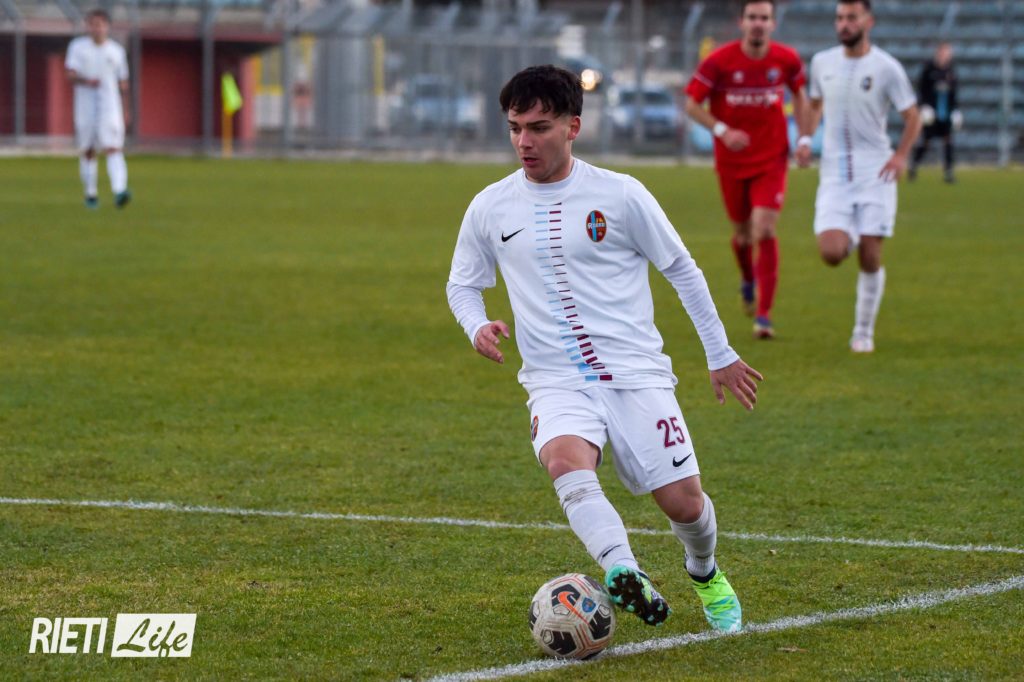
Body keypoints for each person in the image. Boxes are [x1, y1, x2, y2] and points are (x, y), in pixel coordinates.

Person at [447, 65, 762, 632]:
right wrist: (476, 326)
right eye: (515, 128)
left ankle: (704, 570)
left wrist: (719, 354)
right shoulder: (491, 206)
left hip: (635, 373)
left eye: (539, 127)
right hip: (553, 379)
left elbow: (681, 270)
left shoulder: (620, 194)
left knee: (685, 505)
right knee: (564, 461)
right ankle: (623, 570)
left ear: (573, 127)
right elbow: (462, 284)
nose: (524, 142)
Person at [796, 0, 921, 353]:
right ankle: (849, 232)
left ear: (869, 21)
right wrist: (805, 139)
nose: (844, 24)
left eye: (851, 17)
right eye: (840, 18)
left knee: (870, 255)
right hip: (835, 172)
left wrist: (900, 156)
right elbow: (815, 105)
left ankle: (862, 332)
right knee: (831, 253)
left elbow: (912, 116)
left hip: (875, 171)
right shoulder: (822, 62)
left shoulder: (887, 67)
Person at [684, 0, 808, 340]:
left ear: (773, 23)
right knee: (742, 236)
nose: (758, 23)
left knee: (764, 229)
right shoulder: (719, 61)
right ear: (741, 22)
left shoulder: (786, 59)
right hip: (732, 162)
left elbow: (800, 94)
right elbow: (692, 104)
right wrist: (723, 131)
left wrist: (803, 138)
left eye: (764, 18)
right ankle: (748, 278)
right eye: (752, 17)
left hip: (771, 158)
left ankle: (764, 316)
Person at [65, 9, 132, 209]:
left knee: (113, 147)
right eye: (93, 24)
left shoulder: (116, 51)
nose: (97, 28)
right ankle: (91, 193)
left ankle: (119, 190)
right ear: (88, 27)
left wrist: (126, 109)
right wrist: (86, 81)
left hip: (110, 106)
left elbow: (123, 83)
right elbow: (70, 74)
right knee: (89, 150)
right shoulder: (78, 47)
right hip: (85, 105)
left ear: (107, 26)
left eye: (100, 24)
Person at [909, 42, 961, 184]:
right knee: (926, 141)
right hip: (931, 113)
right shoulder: (929, 70)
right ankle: (914, 165)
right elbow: (921, 90)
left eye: (947, 53)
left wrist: (956, 110)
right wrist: (924, 107)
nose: (945, 55)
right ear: (938, 53)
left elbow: (954, 94)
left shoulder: (951, 71)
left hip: (946, 112)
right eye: (943, 52)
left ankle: (949, 172)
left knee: (948, 141)